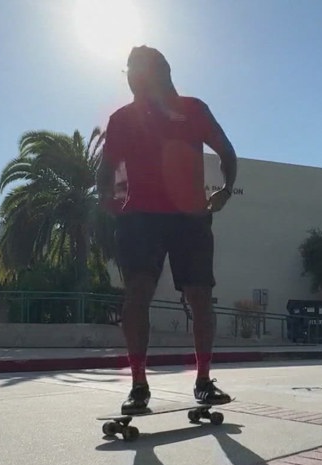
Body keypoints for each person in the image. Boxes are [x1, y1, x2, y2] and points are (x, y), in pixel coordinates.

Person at [96, 45, 239, 415]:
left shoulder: (194, 109)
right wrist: (107, 201)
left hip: (190, 218)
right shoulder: (123, 119)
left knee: (200, 297)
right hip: (140, 217)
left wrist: (225, 190)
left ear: (160, 72)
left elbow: (226, 152)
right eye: (127, 69)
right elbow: (106, 167)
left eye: (137, 69)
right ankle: (139, 386)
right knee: (137, 295)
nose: (130, 76)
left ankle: (204, 381)